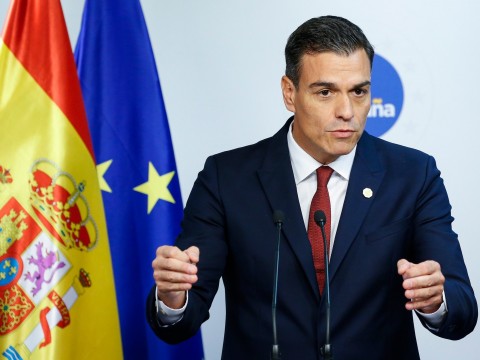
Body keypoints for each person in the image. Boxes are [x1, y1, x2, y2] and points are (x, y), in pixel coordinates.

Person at [146, 16, 477, 359]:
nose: (347, 111)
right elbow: (181, 319)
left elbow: (463, 312)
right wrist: (173, 298)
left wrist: (437, 300)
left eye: (359, 92)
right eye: (325, 92)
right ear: (290, 93)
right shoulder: (226, 178)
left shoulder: (413, 175)